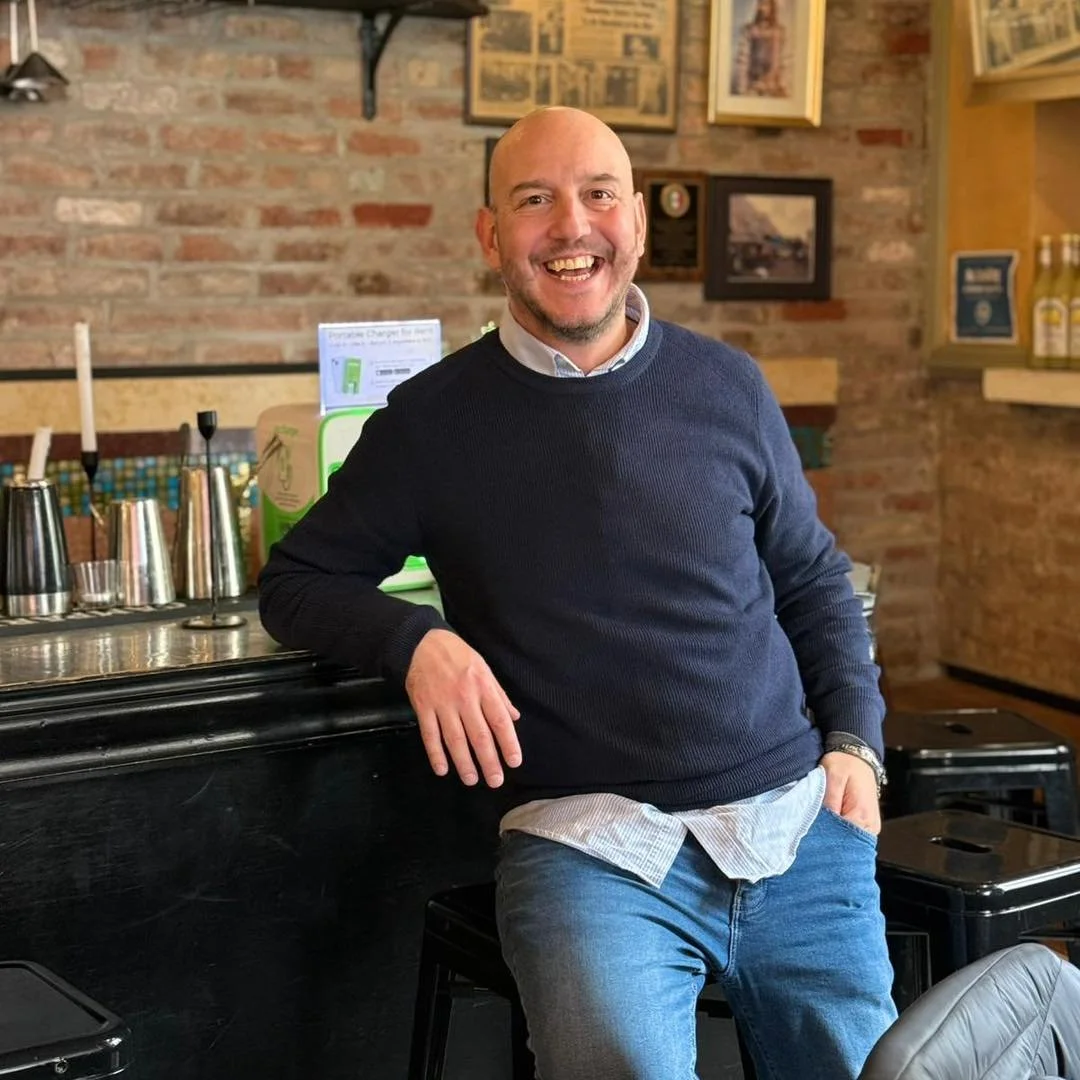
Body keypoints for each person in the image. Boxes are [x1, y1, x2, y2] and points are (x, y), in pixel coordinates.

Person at [259, 105, 896, 1080]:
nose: (571, 226)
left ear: (635, 220)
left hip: (792, 824)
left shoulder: (728, 386)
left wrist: (855, 744)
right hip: (593, 849)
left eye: (598, 195)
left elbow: (811, 577)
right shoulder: (432, 422)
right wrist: (416, 641)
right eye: (533, 200)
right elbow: (297, 583)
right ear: (489, 234)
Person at [732, 0, 789, 98]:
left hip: (774, 89)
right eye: (760, 4)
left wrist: (783, 86)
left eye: (765, 4)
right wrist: (743, 90)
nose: (762, 8)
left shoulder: (779, 32)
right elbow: (742, 61)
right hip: (753, 88)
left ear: (772, 7)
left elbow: (784, 62)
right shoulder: (749, 31)